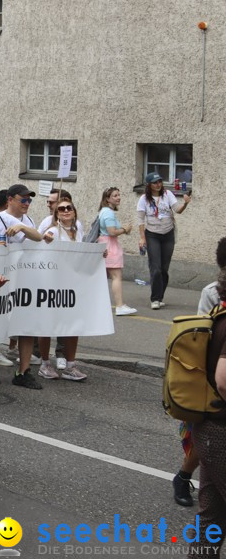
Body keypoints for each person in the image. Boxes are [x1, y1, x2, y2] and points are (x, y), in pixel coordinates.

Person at [187, 269, 226, 557]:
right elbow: (224, 380)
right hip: (222, 430)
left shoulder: (219, 314)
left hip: (210, 427)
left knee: (211, 516)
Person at [0, 184, 48, 389]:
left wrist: (24, 228)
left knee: (26, 324)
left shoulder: (28, 220)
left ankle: (23, 371)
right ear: (10, 199)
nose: (27, 203)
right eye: (23, 199)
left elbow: (36, 237)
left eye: (29, 200)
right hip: (4, 277)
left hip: (25, 278)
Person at [38, 199, 90, 381]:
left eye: (69, 208)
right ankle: (45, 363)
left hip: (72, 284)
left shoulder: (78, 229)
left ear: (74, 211)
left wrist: (98, 254)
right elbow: (43, 252)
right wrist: (47, 240)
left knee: (72, 325)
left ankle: (70, 366)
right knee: (47, 324)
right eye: (61, 209)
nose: (66, 211)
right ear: (56, 214)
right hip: (53, 284)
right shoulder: (53, 231)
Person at [137, 172, 191, 309]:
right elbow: (140, 220)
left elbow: (177, 210)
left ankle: (160, 296)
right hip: (152, 235)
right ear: (149, 185)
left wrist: (185, 203)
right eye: (155, 182)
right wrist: (142, 238)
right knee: (156, 268)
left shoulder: (167, 195)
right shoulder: (144, 199)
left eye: (160, 181)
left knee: (164, 269)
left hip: (168, 234)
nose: (158, 184)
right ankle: (154, 299)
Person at [98, 187, 137, 317]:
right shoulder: (108, 213)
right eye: (115, 195)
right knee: (116, 277)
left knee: (101, 277)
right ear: (107, 199)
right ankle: (119, 306)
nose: (118, 197)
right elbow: (112, 231)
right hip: (110, 246)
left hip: (105, 244)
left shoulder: (104, 211)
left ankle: (99, 304)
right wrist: (125, 229)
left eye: (119, 195)